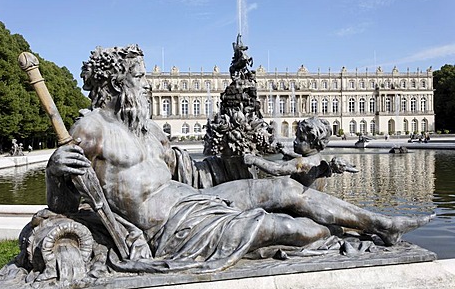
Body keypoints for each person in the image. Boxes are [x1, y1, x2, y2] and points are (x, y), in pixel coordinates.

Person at [46, 45, 432, 272]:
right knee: (296, 229)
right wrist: (54, 171)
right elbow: (62, 205)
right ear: (118, 83)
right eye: (142, 78)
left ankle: (384, 223)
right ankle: (313, 237)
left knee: (284, 187)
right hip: (174, 226)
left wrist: (245, 160)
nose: (148, 85)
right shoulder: (91, 128)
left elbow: (193, 171)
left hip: (194, 198)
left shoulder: (149, 129)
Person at [244, 117, 357, 190]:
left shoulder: (303, 163)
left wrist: (254, 159)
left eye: (300, 139)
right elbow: (301, 160)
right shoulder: (317, 158)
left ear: (312, 141)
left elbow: (277, 169)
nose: (295, 141)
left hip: (299, 205)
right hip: (313, 199)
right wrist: (286, 152)